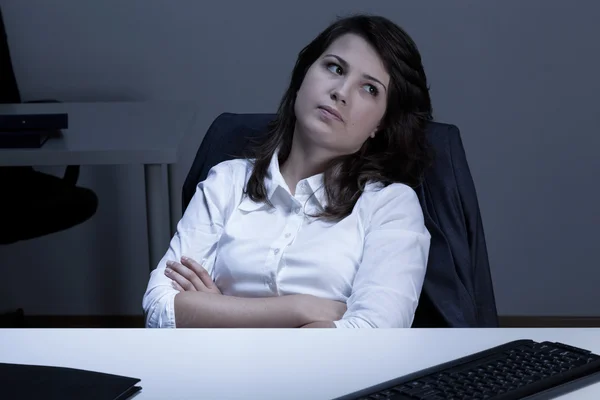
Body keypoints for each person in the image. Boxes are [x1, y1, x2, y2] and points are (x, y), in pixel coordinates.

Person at [143, 14, 433, 329]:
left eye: (369, 88)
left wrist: (216, 312)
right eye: (335, 68)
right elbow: (161, 309)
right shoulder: (227, 181)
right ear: (303, 76)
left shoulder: (391, 206)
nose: (341, 92)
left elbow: (374, 335)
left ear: (382, 123)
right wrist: (302, 309)